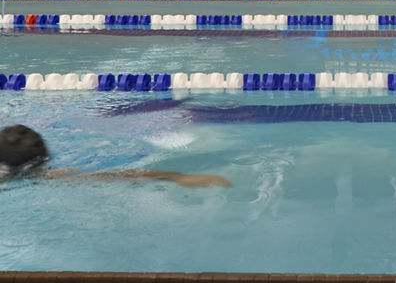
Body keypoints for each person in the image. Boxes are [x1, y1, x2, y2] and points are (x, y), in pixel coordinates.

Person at [0, 124, 232, 188]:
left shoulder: (25, 174)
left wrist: (173, 176)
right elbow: (110, 176)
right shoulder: (36, 176)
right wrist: (174, 176)